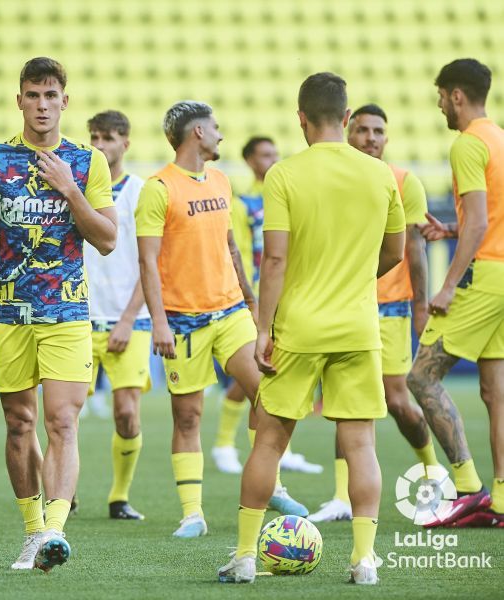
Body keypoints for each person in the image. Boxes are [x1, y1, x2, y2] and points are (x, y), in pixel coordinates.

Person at [218, 72, 405, 585]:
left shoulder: (283, 175)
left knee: (270, 443)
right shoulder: (380, 174)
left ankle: (244, 557)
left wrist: (262, 328)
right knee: (361, 445)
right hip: (359, 327)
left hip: (297, 328)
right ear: (347, 119)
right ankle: (364, 560)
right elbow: (396, 253)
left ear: (301, 120)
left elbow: (274, 259)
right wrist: (351, 280)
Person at [0, 57, 116, 571]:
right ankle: (33, 533)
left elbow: (106, 240)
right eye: (32, 95)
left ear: (65, 102)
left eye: (50, 95)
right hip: (9, 313)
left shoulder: (87, 163)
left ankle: (55, 532)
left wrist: (70, 189)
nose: (41, 104)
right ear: (19, 101)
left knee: (62, 421)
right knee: (20, 424)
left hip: (65, 310)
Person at [136, 101, 307, 541]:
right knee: (188, 416)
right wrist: (158, 322)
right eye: (215, 127)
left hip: (231, 311)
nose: (220, 135)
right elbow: (148, 263)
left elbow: (230, 246)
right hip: (184, 321)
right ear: (196, 134)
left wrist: (250, 301)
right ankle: (192, 514)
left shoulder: (222, 180)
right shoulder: (158, 188)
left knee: (268, 394)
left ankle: (273, 487)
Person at [310, 104, 437, 523]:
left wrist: (421, 305)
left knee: (399, 400)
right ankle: (342, 498)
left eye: (378, 131)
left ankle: (432, 472)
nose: (370, 138)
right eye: (362, 129)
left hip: (391, 307)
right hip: (344, 305)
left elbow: (414, 249)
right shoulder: (329, 178)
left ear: (387, 137)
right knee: (342, 402)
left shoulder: (402, 181)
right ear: (348, 131)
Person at [407, 58, 504, 528]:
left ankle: (468, 489)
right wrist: (454, 228)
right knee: (495, 391)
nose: (441, 105)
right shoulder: (499, 138)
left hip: (482, 280)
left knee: (420, 378)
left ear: (457, 96)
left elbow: (483, 222)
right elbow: (487, 220)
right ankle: (501, 501)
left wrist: (446, 287)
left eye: (442, 96)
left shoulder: (467, 144)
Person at [211, 136, 321, 476]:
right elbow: (238, 253)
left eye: (275, 153)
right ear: (248, 161)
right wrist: (250, 299)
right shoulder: (243, 203)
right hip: (257, 297)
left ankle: (279, 447)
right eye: (264, 155)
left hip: (288, 296)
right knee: (252, 374)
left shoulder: (287, 196)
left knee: (278, 373)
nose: (272, 159)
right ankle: (224, 444)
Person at [84, 110, 149, 521]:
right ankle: (63, 494)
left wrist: (127, 318)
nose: (99, 145)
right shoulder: (76, 190)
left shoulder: (141, 192)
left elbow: (151, 263)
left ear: (125, 143)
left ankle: (119, 497)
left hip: (130, 320)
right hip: (79, 320)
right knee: (63, 414)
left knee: (126, 412)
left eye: (107, 138)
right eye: (93, 137)